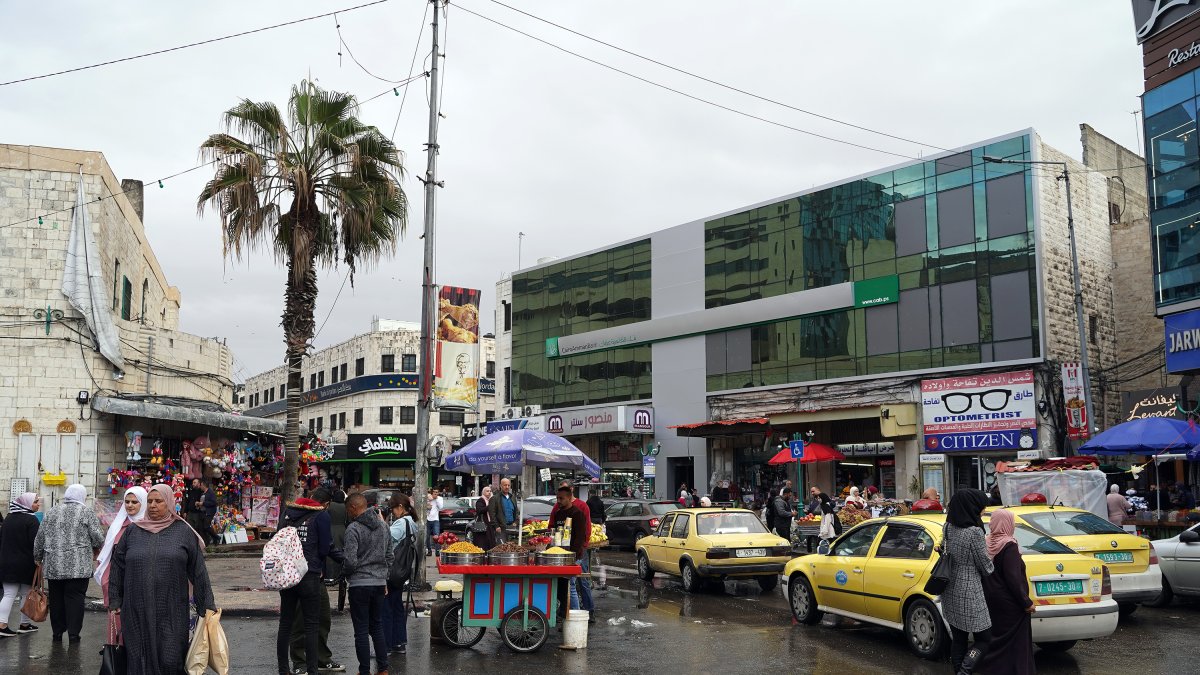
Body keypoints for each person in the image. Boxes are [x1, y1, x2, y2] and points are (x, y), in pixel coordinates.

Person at [109, 484, 215, 675]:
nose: (153, 505)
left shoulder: (183, 531)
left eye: (158, 501)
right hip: (135, 608)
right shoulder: (133, 532)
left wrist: (206, 604)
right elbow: (117, 565)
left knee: (170, 657)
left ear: (170, 503)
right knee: (137, 657)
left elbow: (198, 570)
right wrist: (115, 599)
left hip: (171, 608)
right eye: (149, 501)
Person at [32, 484, 104, 643]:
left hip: (54, 565)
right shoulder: (86, 512)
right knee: (75, 599)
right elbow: (98, 537)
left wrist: (37, 557)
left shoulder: (52, 511)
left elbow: (40, 538)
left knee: (56, 600)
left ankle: (57, 633)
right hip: (78, 567)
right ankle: (73, 633)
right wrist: (96, 548)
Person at [285, 488, 344, 675]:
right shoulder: (315, 515)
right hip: (304, 575)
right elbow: (326, 547)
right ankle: (299, 662)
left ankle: (320, 658)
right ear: (325, 504)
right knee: (301, 621)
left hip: (306, 574)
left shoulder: (289, 512)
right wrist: (345, 560)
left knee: (321, 616)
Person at [941, 489, 994, 675]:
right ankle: (964, 672)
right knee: (984, 638)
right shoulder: (974, 532)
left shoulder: (948, 527)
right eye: (981, 507)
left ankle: (958, 672)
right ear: (971, 507)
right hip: (970, 592)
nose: (983, 511)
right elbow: (986, 567)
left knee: (959, 637)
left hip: (949, 589)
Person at [977, 509, 1035, 675]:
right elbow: (1013, 578)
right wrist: (1026, 602)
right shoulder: (1009, 545)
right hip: (1010, 604)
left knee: (995, 642)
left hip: (990, 600)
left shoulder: (986, 543)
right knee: (1016, 644)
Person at [342, 493, 391, 675]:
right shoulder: (384, 527)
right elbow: (389, 556)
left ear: (354, 508)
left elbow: (350, 561)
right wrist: (384, 577)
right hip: (379, 583)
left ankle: (364, 671)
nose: (347, 513)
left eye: (348, 509)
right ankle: (383, 669)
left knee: (361, 630)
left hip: (359, 584)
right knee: (376, 626)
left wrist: (345, 574)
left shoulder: (353, 529)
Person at [94, 487, 147, 644]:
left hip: (143, 582)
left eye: (134, 502)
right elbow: (107, 556)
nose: (130, 505)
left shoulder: (151, 525)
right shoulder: (118, 526)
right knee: (118, 622)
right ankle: (117, 650)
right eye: (127, 502)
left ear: (142, 503)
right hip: (119, 583)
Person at [0, 493, 41, 637]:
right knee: (26, 594)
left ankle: (2, 624)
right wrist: (39, 559)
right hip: (25, 563)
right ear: (27, 503)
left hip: (6, 562)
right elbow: (35, 544)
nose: (38, 504)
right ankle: (24, 624)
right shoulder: (32, 520)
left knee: (9, 594)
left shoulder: (8, 518)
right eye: (35, 502)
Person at [549, 486, 592, 617]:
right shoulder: (558, 513)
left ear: (569, 498)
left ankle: (574, 617)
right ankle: (564, 613)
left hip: (574, 556)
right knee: (562, 586)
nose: (558, 501)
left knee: (570, 585)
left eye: (561, 498)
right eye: (557, 498)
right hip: (559, 555)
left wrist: (573, 556)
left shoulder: (577, 514)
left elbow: (580, 537)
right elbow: (555, 533)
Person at [384, 493, 416, 655]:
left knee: (386, 607)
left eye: (392, 508)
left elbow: (384, 538)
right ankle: (399, 643)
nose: (392, 512)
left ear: (400, 507)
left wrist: (381, 523)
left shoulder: (401, 524)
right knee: (396, 606)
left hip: (392, 570)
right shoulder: (411, 523)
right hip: (402, 571)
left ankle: (386, 645)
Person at [488, 478, 519, 543]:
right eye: (505, 485)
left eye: (508, 485)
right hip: (500, 528)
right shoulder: (495, 498)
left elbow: (516, 511)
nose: (507, 487)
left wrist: (516, 522)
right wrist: (496, 526)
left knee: (512, 547)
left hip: (512, 527)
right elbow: (492, 514)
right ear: (500, 486)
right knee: (501, 548)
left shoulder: (512, 497)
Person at [472, 487, 495, 551]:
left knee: (490, 541)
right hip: (482, 524)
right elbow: (479, 510)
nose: (489, 492)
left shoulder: (490, 500)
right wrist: (489, 506)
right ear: (483, 492)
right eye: (487, 491)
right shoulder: (480, 500)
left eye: (490, 491)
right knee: (482, 541)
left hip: (489, 523)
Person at [424, 489, 443, 555]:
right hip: (427, 519)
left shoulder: (440, 499)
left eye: (437, 492)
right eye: (434, 492)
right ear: (432, 492)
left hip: (435, 520)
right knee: (427, 536)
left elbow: (441, 507)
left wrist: (436, 499)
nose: (436, 493)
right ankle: (429, 551)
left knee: (436, 536)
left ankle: (437, 551)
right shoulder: (428, 497)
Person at [200, 480, 218, 546]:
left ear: (204, 485)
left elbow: (213, 502)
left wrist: (203, 503)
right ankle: (211, 540)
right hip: (203, 512)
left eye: (201, 485)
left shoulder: (210, 493)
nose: (200, 486)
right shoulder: (203, 493)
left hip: (209, 512)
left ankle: (216, 537)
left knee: (206, 526)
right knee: (203, 528)